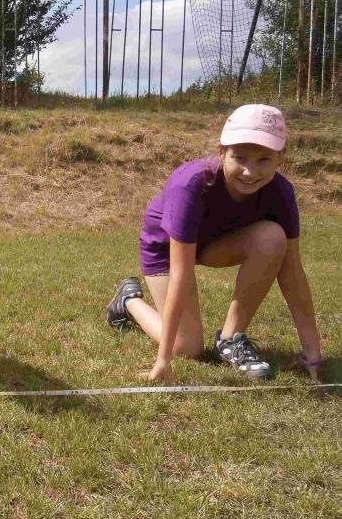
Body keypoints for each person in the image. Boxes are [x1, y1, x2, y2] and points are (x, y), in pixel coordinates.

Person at [106, 104, 323, 383]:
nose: (249, 171)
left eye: (264, 159)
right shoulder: (190, 184)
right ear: (222, 152)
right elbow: (181, 274)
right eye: (239, 157)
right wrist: (164, 358)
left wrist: (311, 350)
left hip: (216, 243)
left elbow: (292, 272)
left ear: (281, 157)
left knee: (272, 237)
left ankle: (231, 339)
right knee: (187, 347)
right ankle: (128, 301)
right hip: (165, 247)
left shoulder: (281, 192)